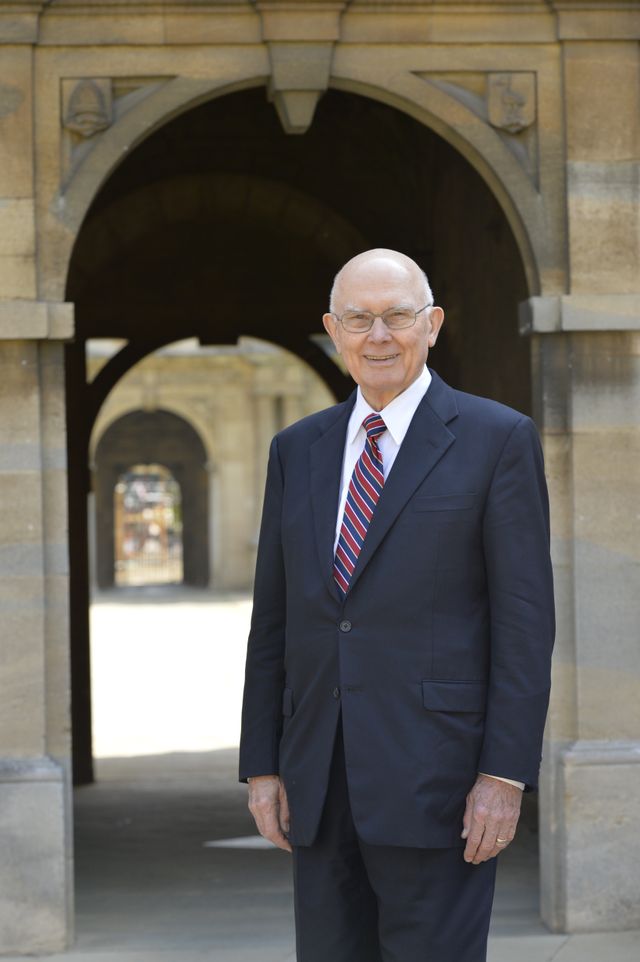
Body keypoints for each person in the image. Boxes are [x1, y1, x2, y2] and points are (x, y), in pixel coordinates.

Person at [239, 248, 555, 962]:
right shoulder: (298, 450)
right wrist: (262, 763)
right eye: (358, 319)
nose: (378, 336)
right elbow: (274, 619)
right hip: (318, 781)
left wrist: (502, 777)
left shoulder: (496, 440)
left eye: (397, 317)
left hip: (438, 782)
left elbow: (524, 624)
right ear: (332, 328)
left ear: (432, 324)